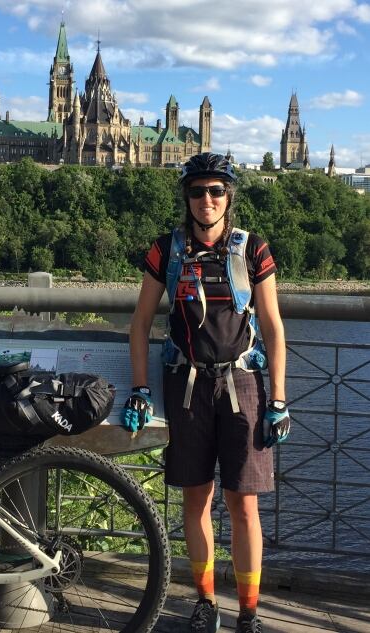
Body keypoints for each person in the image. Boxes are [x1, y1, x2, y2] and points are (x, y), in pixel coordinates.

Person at [121, 152, 291, 633]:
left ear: (228, 196)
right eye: (197, 191)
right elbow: (139, 326)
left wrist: (278, 398)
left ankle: (249, 612)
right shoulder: (167, 250)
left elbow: (274, 328)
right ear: (187, 198)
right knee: (196, 500)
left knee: (244, 504)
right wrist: (139, 388)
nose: (207, 199)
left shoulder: (252, 249)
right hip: (188, 383)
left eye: (216, 190)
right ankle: (205, 602)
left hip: (243, 383)